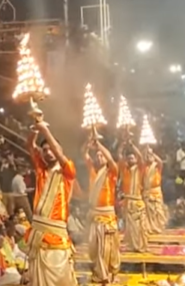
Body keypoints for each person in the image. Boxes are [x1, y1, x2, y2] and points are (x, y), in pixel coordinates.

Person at [23, 121, 76, 286]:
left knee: (60, 278)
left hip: (57, 236)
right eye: (44, 150)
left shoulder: (67, 171)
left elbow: (59, 154)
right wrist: (34, 128)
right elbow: (30, 145)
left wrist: (45, 129)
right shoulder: (41, 168)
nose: (48, 152)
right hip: (39, 235)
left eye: (51, 149)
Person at [85, 136, 120, 284]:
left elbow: (111, 160)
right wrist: (88, 143)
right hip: (94, 216)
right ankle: (100, 272)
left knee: (105, 249)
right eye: (97, 156)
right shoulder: (94, 172)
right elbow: (84, 154)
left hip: (107, 217)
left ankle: (105, 275)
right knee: (94, 248)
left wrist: (99, 144)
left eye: (101, 155)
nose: (99, 158)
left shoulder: (111, 172)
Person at [119, 143, 148, 253]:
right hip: (128, 202)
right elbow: (120, 157)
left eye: (132, 157)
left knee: (138, 227)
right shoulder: (125, 170)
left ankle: (139, 246)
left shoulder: (140, 169)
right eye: (129, 158)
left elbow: (140, 157)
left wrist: (132, 145)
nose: (130, 159)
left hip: (137, 202)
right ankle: (132, 246)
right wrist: (123, 144)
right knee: (130, 228)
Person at [141, 145, 167, 235]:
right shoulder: (144, 168)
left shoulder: (156, 166)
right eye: (147, 155)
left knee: (158, 212)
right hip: (147, 193)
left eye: (151, 155)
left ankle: (159, 228)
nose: (149, 156)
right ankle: (151, 229)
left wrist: (151, 152)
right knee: (149, 214)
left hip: (157, 193)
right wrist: (145, 152)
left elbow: (160, 162)